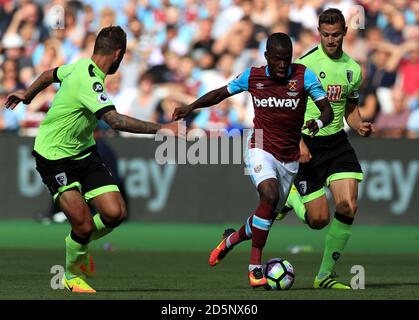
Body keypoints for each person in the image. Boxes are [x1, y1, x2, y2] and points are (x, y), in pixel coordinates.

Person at [4, 26, 182, 293]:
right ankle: (71, 274)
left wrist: (27, 95)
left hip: (84, 152)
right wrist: (161, 129)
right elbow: (115, 120)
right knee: (84, 224)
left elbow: (49, 74)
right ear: (118, 54)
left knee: (115, 213)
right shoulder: (89, 81)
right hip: (54, 156)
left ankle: (77, 239)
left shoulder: (79, 67)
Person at [173, 32, 334, 288]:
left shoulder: (304, 75)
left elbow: (327, 109)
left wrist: (317, 122)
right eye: (278, 59)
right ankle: (254, 267)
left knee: (266, 216)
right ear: (267, 57)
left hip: (289, 157)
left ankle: (231, 240)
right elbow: (220, 94)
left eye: (287, 59)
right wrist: (191, 107)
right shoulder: (253, 76)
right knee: (268, 196)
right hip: (259, 146)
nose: (283, 65)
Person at [279, 8, 375, 289]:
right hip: (308, 142)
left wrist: (358, 126)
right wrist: (297, 142)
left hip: (337, 143)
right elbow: (288, 109)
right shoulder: (304, 65)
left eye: (335, 35)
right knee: (318, 220)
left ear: (345, 32)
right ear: (318, 33)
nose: (330, 40)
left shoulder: (353, 70)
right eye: (325, 35)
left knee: (348, 205)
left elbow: (350, 110)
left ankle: (324, 276)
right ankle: (292, 199)